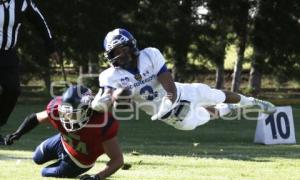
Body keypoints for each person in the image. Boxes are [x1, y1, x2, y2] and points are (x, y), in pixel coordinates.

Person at [91, 28, 277, 131]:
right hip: (167, 115)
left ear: (131, 46)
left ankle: (251, 102)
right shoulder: (109, 76)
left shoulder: (150, 55)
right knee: (198, 120)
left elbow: (170, 88)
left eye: (122, 48)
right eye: (115, 52)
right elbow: (108, 97)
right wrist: (102, 102)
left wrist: (168, 102)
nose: (120, 54)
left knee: (213, 94)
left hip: (178, 94)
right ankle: (230, 109)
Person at [4, 85, 124, 180]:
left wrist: (98, 176)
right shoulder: (56, 109)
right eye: (66, 113)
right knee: (36, 158)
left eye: (74, 114)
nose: (68, 117)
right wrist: (18, 133)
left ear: (87, 110)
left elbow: (117, 160)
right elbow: (35, 118)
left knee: (45, 173)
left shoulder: (101, 124)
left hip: (79, 162)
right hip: (61, 142)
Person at [0, 0, 60, 135]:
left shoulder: (21, 2)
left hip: (7, 55)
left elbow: (40, 22)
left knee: (13, 90)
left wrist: (51, 47)